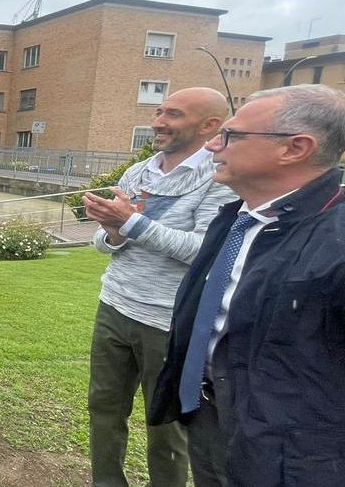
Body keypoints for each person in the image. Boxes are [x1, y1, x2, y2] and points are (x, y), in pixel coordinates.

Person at [149, 84, 345, 487]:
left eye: (231, 136)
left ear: (294, 148)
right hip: (207, 416)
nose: (212, 147)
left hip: (286, 456)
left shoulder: (335, 241)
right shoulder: (237, 216)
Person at [82, 87, 235, 487]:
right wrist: (114, 231)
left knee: (165, 422)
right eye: (159, 111)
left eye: (173, 115)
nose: (158, 122)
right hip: (114, 306)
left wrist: (131, 224)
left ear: (209, 126)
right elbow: (108, 244)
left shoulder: (218, 177)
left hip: (169, 321)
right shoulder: (140, 172)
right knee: (103, 408)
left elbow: (204, 251)